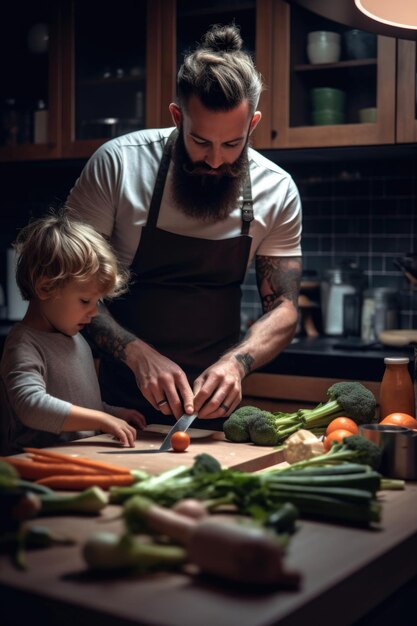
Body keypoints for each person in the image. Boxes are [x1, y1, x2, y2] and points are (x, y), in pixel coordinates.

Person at [65, 23, 302, 430]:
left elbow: (283, 309)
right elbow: (68, 286)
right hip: (116, 408)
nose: (215, 160)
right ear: (177, 117)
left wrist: (237, 363)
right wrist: (135, 354)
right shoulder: (119, 165)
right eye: (201, 142)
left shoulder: (276, 189)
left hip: (214, 411)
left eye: (232, 144)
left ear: (253, 125)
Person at [0, 211, 146, 455]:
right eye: (85, 300)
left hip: (80, 456)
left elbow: (75, 404)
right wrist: (100, 419)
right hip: (36, 467)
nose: (93, 312)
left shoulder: (77, 339)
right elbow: (30, 406)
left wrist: (110, 412)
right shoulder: (24, 344)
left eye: (97, 302)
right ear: (46, 287)